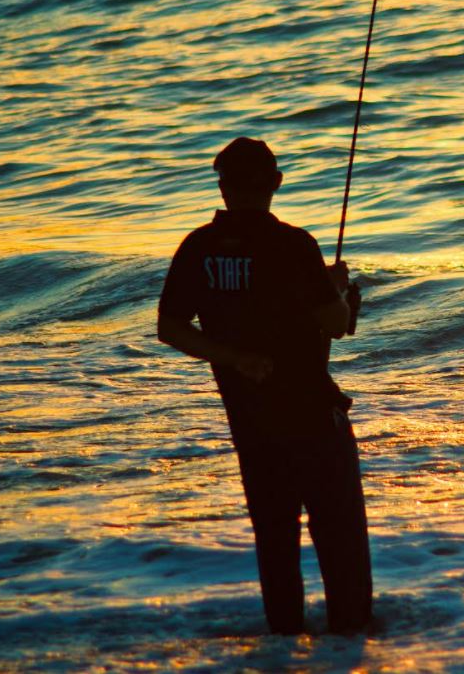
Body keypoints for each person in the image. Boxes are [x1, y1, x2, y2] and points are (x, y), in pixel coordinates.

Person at [156, 136, 373, 635]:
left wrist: (236, 358)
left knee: (275, 542)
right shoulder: (294, 245)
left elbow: (171, 328)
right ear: (275, 183)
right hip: (313, 416)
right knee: (339, 542)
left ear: (223, 187)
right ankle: (350, 644)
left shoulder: (199, 248)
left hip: (250, 421)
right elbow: (337, 323)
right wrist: (336, 288)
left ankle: (284, 644)